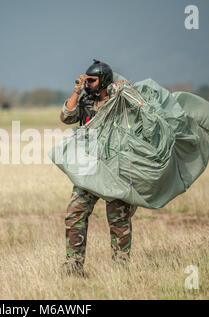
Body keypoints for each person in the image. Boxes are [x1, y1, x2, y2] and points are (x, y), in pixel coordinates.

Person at [59, 59, 138, 276]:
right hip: (89, 170)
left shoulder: (120, 102)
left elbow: (140, 113)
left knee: (118, 219)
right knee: (74, 213)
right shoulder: (84, 102)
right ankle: (73, 265)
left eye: (91, 80)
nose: (87, 84)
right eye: (86, 80)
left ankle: (121, 268)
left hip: (114, 170)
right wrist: (76, 92)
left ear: (103, 80)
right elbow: (65, 117)